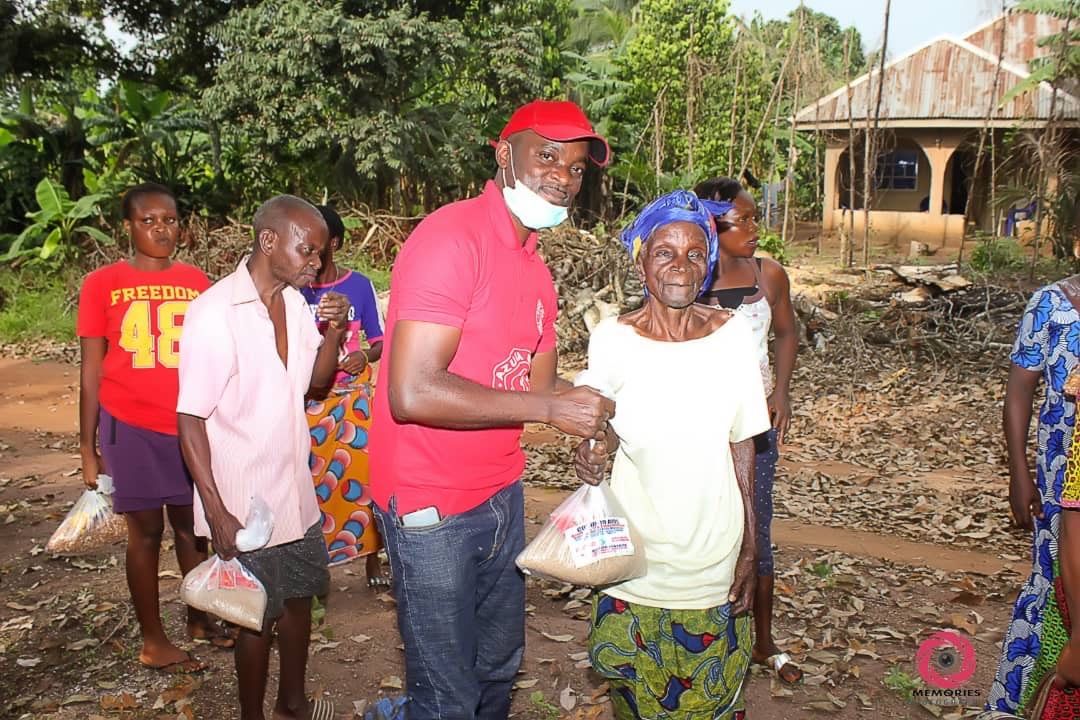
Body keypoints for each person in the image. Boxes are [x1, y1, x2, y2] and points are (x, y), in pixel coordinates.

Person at [368, 99, 615, 720]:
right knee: (447, 695)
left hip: (499, 492)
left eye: (578, 166)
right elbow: (413, 390)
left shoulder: (536, 269)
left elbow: (542, 389)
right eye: (548, 156)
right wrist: (551, 408)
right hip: (431, 502)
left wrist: (585, 426)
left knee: (498, 669)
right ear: (504, 155)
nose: (564, 175)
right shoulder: (452, 239)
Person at [574, 190, 770, 720]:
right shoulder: (612, 339)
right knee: (637, 704)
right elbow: (599, 429)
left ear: (707, 263)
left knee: (710, 703)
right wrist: (592, 450)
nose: (680, 266)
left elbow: (743, 442)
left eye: (693, 253)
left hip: (712, 561)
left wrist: (751, 549)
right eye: (665, 252)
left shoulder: (733, 337)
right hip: (633, 564)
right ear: (641, 261)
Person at [177, 195, 349, 720]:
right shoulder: (214, 313)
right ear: (268, 240)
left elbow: (315, 386)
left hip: (293, 492)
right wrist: (217, 510)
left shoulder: (296, 306)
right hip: (243, 502)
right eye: (308, 250)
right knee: (255, 616)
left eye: (319, 254)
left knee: (298, 601)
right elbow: (190, 419)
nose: (315, 264)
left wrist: (335, 332)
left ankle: (292, 702)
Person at [77, 182, 223, 673]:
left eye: (170, 219)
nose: (162, 229)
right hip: (129, 424)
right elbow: (92, 369)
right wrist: (87, 446)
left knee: (192, 528)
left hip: (186, 423)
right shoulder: (102, 283)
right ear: (129, 227)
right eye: (149, 221)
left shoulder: (197, 281)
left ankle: (202, 617)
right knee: (144, 532)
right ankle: (152, 639)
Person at [694, 177, 801, 685]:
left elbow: (785, 331)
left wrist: (780, 392)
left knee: (756, 527)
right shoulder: (690, 273)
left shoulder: (769, 274)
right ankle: (705, 625)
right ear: (712, 227)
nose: (756, 229)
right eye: (744, 221)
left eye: (756, 218)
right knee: (703, 524)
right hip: (698, 426)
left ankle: (764, 641)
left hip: (754, 424)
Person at [987, 272, 1080, 713]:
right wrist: (1019, 471)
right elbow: (1020, 390)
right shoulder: (1051, 303)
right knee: (1055, 572)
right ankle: (1034, 695)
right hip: (1061, 465)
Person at [301, 204, 388, 587]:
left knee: (364, 479)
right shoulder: (292, 287)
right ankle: (314, 561)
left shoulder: (359, 285)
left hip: (352, 400)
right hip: (306, 401)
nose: (312, 254)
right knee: (310, 481)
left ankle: (372, 559)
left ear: (333, 242)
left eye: (319, 244)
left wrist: (362, 355)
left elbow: (382, 340)